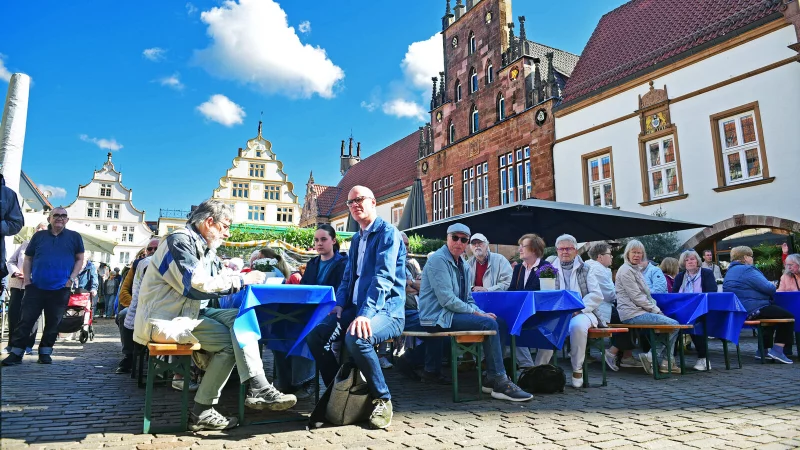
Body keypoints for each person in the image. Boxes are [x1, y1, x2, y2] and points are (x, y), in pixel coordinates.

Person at [134, 199, 297, 431]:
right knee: (234, 339)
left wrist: (236, 274)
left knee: (240, 319)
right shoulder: (179, 241)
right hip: (164, 320)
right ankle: (205, 409)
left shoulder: (200, 245)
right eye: (226, 226)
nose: (228, 234)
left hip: (186, 314)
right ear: (209, 222)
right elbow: (196, 285)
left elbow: (217, 276)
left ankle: (256, 388)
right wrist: (241, 279)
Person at [306, 186, 406, 429]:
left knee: (357, 338)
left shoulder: (388, 233)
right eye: (350, 202)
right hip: (356, 307)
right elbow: (348, 278)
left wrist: (365, 314)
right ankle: (338, 391)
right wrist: (340, 304)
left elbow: (383, 279)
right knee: (315, 337)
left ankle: (382, 398)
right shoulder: (356, 238)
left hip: (388, 311)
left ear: (373, 202)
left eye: (360, 200)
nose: (355, 205)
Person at [417, 223, 532, 401]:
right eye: (455, 237)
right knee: (489, 323)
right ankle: (500, 380)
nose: (459, 242)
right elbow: (447, 299)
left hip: (450, 314)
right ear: (447, 238)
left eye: (463, 239)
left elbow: (468, 297)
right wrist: (477, 314)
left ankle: (490, 377)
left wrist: (479, 312)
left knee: (499, 322)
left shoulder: (462, 263)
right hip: (436, 317)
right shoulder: (438, 260)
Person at [2, 208, 84, 366]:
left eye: (63, 216)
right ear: (49, 218)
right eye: (56, 215)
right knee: (25, 321)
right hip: (36, 287)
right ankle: (16, 352)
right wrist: (27, 281)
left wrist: (71, 279)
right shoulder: (39, 236)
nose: (60, 218)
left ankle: (45, 352)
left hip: (61, 288)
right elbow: (28, 259)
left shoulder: (74, 237)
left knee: (53, 322)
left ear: (67, 220)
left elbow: (80, 259)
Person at [274, 225, 346, 399]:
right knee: (279, 328)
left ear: (333, 241)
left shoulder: (343, 264)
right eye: (316, 240)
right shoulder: (312, 264)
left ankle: (307, 380)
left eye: (323, 239)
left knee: (308, 332)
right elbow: (304, 290)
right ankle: (286, 382)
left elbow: (343, 292)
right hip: (308, 311)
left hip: (330, 313)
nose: (319, 243)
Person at [536, 235, 606, 388]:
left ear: (575, 250)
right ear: (557, 250)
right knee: (547, 327)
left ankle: (577, 368)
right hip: (558, 312)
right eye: (561, 249)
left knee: (577, 327)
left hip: (583, 312)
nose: (565, 252)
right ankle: (538, 369)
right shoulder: (549, 269)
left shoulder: (586, 269)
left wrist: (577, 308)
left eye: (568, 248)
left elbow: (596, 295)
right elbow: (545, 294)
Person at [615, 240, 680, 374]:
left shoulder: (635, 269)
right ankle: (654, 357)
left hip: (637, 312)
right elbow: (637, 297)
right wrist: (656, 310)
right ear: (627, 253)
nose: (637, 255)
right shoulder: (626, 270)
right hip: (632, 314)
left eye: (640, 253)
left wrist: (655, 310)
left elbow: (645, 296)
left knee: (671, 325)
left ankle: (667, 362)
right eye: (634, 252)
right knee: (674, 325)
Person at [723, 245, 793, 364]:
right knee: (788, 317)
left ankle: (762, 351)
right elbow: (769, 288)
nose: (752, 259)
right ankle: (777, 350)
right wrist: (771, 285)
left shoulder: (730, 271)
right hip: (753, 309)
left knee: (770, 318)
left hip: (739, 310)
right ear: (745, 257)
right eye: (751, 256)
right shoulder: (747, 270)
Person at [587, 243, 642, 371]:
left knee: (628, 315)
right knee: (630, 317)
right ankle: (614, 353)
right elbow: (610, 295)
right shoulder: (597, 270)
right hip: (599, 309)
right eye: (609, 254)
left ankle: (625, 356)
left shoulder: (596, 267)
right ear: (600, 257)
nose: (611, 257)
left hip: (599, 307)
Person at [3, 222, 48, 355]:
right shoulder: (24, 245)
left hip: (35, 286)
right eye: (37, 230)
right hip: (18, 285)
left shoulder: (47, 249)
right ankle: (12, 344)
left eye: (42, 231)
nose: (39, 233)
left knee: (32, 315)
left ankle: (28, 344)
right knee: (14, 314)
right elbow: (11, 261)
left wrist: (31, 275)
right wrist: (16, 272)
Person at [114, 240, 158, 374]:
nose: (153, 251)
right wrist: (137, 305)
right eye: (150, 249)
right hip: (137, 306)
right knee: (123, 315)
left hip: (159, 308)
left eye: (156, 248)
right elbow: (124, 292)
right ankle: (129, 355)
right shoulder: (137, 266)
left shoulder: (168, 266)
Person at [508, 233, 551, 367]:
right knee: (508, 325)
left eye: (523, 246)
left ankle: (536, 367)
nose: (519, 250)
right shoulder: (519, 268)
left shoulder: (546, 267)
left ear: (534, 249)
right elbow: (511, 290)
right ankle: (527, 366)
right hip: (521, 311)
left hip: (539, 312)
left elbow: (538, 291)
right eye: (519, 246)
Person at [673, 250, 717, 371]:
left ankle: (703, 358)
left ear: (697, 260)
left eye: (692, 259)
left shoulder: (706, 273)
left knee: (694, 322)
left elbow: (711, 292)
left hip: (702, 309)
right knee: (671, 322)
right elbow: (674, 295)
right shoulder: (680, 276)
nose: (690, 262)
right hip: (683, 310)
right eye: (686, 260)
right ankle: (670, 358)